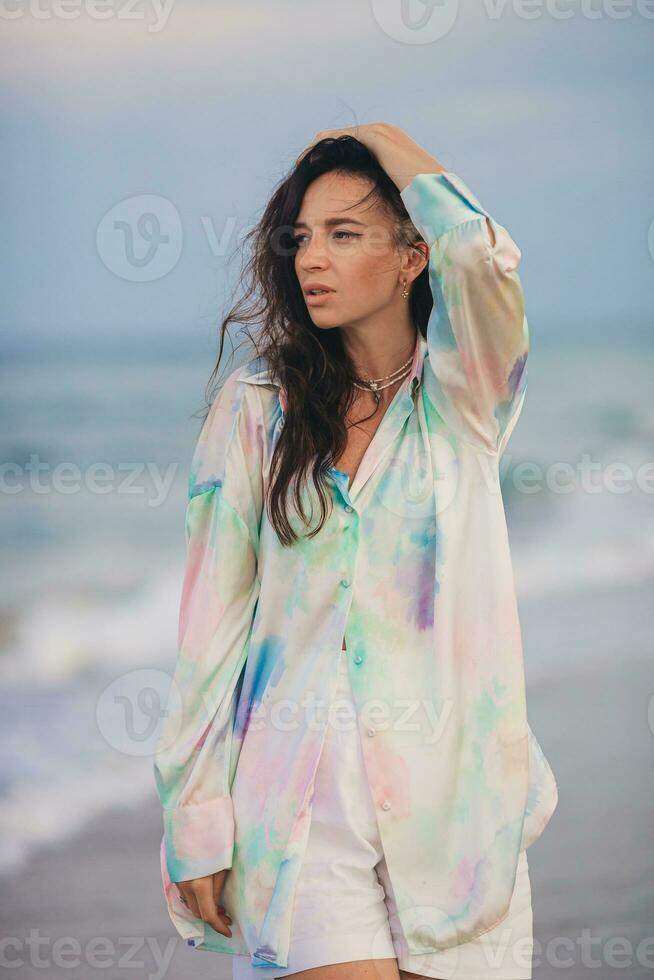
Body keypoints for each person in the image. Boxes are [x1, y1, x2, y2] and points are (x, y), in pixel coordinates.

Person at [153, 123, 558, 979]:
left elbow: (483, 261)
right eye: (302, 237)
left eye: (345, 235)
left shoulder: (466, 396)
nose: (312, 260)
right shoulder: (256, 408)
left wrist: (378, 137)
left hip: (456, 816)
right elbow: (209, 630)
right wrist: (195, 818)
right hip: (298, 813)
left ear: (412, 257)